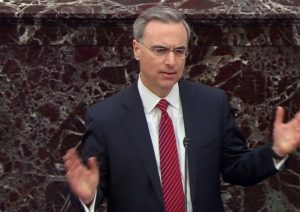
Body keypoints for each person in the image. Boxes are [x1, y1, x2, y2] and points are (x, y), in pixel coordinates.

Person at [63, 5, 300, 212]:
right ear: (136, 49)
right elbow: (94, 186)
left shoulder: (212, 104)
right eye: (160, 50)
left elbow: (236, 168)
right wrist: (88, 196)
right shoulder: (106, 118)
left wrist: (276, 151)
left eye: (179, 51)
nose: (171, 61)